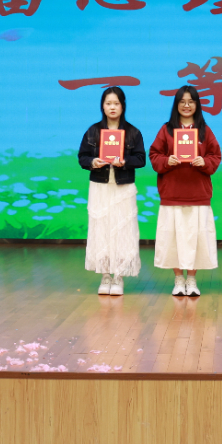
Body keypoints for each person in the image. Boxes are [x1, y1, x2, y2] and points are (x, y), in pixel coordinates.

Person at [148, 86, 222, 296]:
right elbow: (154, 155)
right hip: (172, 194)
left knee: (196, 238)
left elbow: (215, 156)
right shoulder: (166, 130)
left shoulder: (205, 131)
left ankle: (192, 280)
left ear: (197, 104)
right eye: (182, 101)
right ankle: (179, 279)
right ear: (176, 104)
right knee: (173, 239)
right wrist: (167, 160)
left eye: (191, 101)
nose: (186, 105)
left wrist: (204, 161)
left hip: (198, 194)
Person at [77, 86, 146, 295]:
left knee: (123, 230)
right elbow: (82, 157)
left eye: (116, 103)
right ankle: (105, 275)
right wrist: (93, 162)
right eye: (108, 103)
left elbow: (141, 159)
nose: (112, 107)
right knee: (102, 229)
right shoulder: (93, 131)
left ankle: (119, 276)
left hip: (123, 187)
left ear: (123, 106)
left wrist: (124, 161)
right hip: (100, 187)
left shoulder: (133, 132)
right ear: (102, 106)